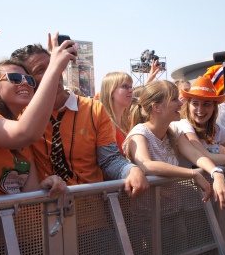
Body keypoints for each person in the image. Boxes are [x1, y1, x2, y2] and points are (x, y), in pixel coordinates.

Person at [10, 43, 148, 197]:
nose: (53, 71)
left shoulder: (94, 109)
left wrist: (131, 170)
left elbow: (110, 160)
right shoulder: (20, 118)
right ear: (27, 80)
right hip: (44, 212)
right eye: (41, 70)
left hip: (92, 211)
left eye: (54, 64)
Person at [0, 34, 74, 197]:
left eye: (29, 79)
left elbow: (29, 191)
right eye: (15, 78)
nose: (24, 82)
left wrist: (46, 184)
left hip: (17, 220)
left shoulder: (22, 123)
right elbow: (22, 133)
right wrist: (54, 68)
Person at [123, 80, 225, 210]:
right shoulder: (140, 133)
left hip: (175, 212)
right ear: (157, 107)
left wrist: (216, 173)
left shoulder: (174, 131)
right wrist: (193, 174)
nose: (181, 103)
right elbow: (146, 165)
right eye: (174, 99)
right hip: (148, 219)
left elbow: (197, 155)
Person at [100, 72, 134, 156]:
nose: (131, 90)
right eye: (125, 86)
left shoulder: (127, 122)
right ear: (110, 91)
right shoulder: (107, 123)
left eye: (131, 87)